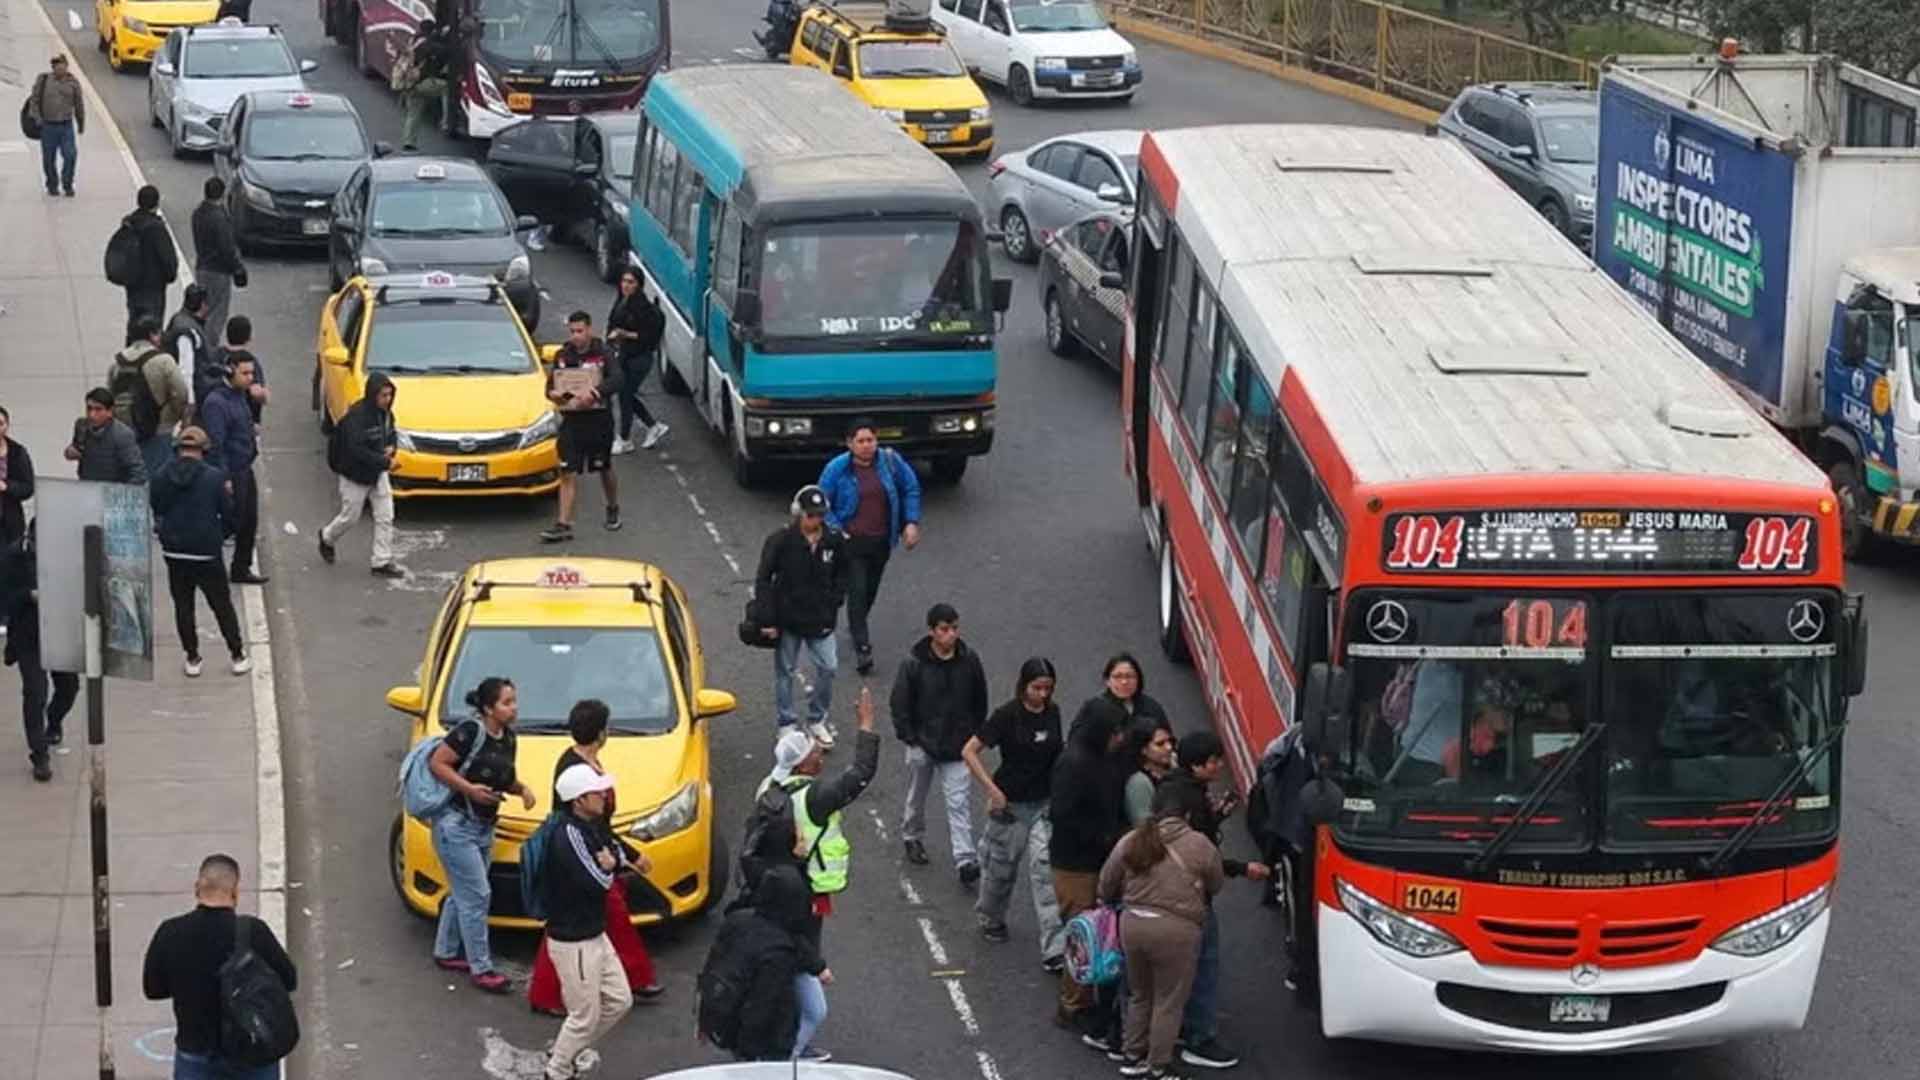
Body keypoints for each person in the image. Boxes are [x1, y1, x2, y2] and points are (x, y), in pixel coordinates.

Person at [749, 686, 880, 1061]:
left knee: (788, 958)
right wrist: (866, 725)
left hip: (776, 888)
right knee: (802, 953)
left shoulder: (769, 788)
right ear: (804, 765)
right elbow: (860, 775)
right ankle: (786, 1055)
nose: (821, 755)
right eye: (815, 752)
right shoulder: (814, 798)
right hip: (805, 891)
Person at [529, 700, 663, 1018]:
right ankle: (548, 994)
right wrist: (630, 855)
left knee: (607, 916)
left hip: (596, 847)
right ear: (602, 732)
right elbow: (595, 825)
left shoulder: (585, 762)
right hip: (584, 853)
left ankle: (633, 977)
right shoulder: (575, 770)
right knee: (583, 919)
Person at [1099, 784, 1226, 1080]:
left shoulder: (1132, 840)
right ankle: (1159, 1065)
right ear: (1188, 814)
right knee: (1169, 1000)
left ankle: (1132, 1055)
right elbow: (1216, 884)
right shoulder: (1199, 844)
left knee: (1140, 994)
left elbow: (1107, 882)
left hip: (1132, 924)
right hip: (1176, 930)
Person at [1163, 732, 1267, 1072]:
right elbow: (1199, 856)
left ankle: (1176, 1029)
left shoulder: (1174, 791)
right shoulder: (1187, 803)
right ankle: (1199, 1038)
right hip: (1192, 899)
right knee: (1204, 966)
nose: (1219, 766)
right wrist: (1239, 868)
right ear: (1196, 764)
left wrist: (1216, 816)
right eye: (1213, 761)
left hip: (1167, 899)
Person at [142, 854, 297, 1080]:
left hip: (195, 1051)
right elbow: (289, 979)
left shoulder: (170, 932)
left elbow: (153, 989)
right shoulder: (252, 932)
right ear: (235, 893)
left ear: (197, 888)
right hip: (251, 1050)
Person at [429, 677, 536, 993]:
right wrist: (469, 791)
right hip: (456, 825)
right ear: (488, 708)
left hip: (483, 827)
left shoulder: (509, 739)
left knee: (463, 892)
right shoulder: (469, 732)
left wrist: (522, 790)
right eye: (506, 702)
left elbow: (504, 777)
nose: (513, 708)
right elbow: (438, 763)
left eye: (514, 701)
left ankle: (446, 951)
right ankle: (482, 967)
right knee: (477, 896)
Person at [963, 656, 1065, 963]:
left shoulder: (1054, 713)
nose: (1043, 695)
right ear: (1024, 686)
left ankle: (1055, 948)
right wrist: (991, 789)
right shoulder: (1006, 716)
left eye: (1048, 689)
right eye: (1037, 688)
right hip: (1011, 807)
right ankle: (991, 917)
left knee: (1046, 876)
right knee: (1000, 871)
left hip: (1044, 806)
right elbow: (969, 751)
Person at [541, 763, 636, 1080]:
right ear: (578, 800)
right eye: (596, 792)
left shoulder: (590, 826)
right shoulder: (568, 835)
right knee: (584, 1015)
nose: (603, 795)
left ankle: (565, 1052)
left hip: (593, 933)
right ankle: (557, 1070)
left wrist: (614, 861)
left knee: (620, 1000)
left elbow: (615, 854)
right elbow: (599, 881)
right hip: (574, 941)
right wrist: (610, 867)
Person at [1050, 697, 1131, 1033]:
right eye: (1116, 732)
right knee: (1083, 934)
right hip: (1075, 864)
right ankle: (1073, 1005)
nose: (1121, 739)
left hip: (1095, 858)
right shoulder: (1074, 764)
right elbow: (1063, 815)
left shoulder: (1099, 758)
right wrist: (1104, 838)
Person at [891, 602, 989, 882]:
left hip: (957, 747)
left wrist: (973, 736)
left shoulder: (970, 660)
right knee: (917, 795)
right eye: (945, 629)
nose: (952, 635)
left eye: (955, 628)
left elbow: (979, 700)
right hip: (923, 744)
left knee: (958, 802)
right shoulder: (914, 663)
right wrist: (910, 738)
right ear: (932, 631)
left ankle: (965, 859)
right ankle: (912, 835)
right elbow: (900, 703)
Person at [818, 420, 922, 675]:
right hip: (850, 544)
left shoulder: (890, 462)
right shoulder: (837, 469)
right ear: (850, 444)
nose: (867, 446)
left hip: (880, 542)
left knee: (869, 592)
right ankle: (863, 647)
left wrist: (910, 522)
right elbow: (821, 502)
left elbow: (910, 488)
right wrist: (836, 530)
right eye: (861, 441)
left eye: (871, 440)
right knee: (858, 590)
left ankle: (855, 625)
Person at [150, 427, 249, 678]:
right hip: (206, 552)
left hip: (175, 552)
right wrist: (219, 535)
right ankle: (237, 654)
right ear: (204, 450)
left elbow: (157, 506)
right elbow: (229, 514)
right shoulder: (214, 478)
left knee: (183, 607)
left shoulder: (161, 476)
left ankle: (192, 657)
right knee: (222, 605)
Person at [702, 862, 826, 1061]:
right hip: (769, 1044)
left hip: (731, 1020)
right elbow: (761, 1008)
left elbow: (712, 967)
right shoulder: (780, 950)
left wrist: (705, 1020)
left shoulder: (737, 920)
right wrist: (751, 1056)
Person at [755, 485, 848, 747]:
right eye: (811, 515)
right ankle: (786, 722)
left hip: (821, 619)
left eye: (820, 515)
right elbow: (764, 578)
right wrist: (768, 619)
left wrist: (834, 601)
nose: (815, 521)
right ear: (799, 513)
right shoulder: (781, 540)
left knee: (829, 667)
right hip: (788, 620)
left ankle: (817, 718)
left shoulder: (834, 539)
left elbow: (843, 573)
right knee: (785, 670)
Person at [542, 311, 624, 542]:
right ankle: (563, 523)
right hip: (572, 422)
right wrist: (554, 395)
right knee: (567, 470)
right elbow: (549, 387)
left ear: (589, 329)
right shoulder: (562, 355)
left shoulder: (604, 353)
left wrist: (596, 392)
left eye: (580, 331)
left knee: (603, 467)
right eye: (572, 332)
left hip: (598, 422)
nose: (576, 336)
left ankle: (612, 506)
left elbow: (618, 379)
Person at [2, 525, 74, 782]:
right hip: (28, 634)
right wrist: (28, 596)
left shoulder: (68, 557)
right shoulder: (13, 557)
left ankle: (53, 722)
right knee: (35, 692)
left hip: (59, 630)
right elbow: (5, 598)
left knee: (68, 688)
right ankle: (39, 753)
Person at [318, 372, 403, 578]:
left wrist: (392, 447)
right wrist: (385, 461)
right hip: (354, 475)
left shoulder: (386, 415)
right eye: (383, 395)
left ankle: (381, 561)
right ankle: (327, 537)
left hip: (377, 473)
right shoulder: (356, 418)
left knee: (385, 516)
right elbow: (357, 450)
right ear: (373, 394)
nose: (387, 400)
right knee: (350, 516)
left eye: (390, 395)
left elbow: (391, 433)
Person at [199, 354, 265, 584]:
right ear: (230, 371)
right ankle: (202, 562)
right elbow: (217, 444)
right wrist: (224, 477)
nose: (250, 379)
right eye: (245, 373)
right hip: (231, 472)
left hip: (245, 467)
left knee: (248, 521)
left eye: (251, 373)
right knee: (230, 522)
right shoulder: (216, 403)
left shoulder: (240, 396)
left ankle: (241, 568)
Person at [108, 315, 191, 479]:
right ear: (153, 335)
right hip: (158, 428)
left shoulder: (117, 363)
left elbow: (110, 395)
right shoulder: (164, 361)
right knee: (157, 478)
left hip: (125, 430)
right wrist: (174, 416)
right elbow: (181, 393)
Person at [606, 269, 669, 453]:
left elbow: (648, 337)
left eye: (631, 282)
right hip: (623, 355)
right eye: (624, 281)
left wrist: (624, 334)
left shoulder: (645, 309)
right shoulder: (621, 301)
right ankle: (652, 425)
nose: (626, 285)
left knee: (625, 395)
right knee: (625, 394)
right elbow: (613, 322)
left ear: (639, 285)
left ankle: (625, 439)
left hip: (639, 359)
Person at [119, 185, 179, 345]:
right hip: (153, 288)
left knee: (134, 323)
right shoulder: (156, 228)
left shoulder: (129, 223)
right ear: (156, 203)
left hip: (133, 285)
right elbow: (168, 259)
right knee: (152, 329)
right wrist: (169, 276)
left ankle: (131, 356)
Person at [191, 180, 245, 351]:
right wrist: (237, 267)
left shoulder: (198, 213)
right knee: (216, 313)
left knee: (204, 309)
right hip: (218, 271)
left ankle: (202, 345)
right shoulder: (219, 218)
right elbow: (226, 247)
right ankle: (208, 348)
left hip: (202, 266)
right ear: (222, 194)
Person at [26, 55, 82, 197]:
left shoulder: (73, 83)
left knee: (70, 155)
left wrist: (81, 122)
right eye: (57, 66)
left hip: (66, 126)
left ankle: (67, 183)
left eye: (63, 65)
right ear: (53, 68)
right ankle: (52, 184)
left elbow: (79, 104)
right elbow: (34, 101)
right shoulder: (43, 80)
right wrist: (38, 118)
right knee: (48, 158)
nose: (60, 69)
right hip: (48, 126)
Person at [67, 387, 146, 484]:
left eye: (98, 409)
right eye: (89, 408)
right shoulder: (82, 426)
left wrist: (123, 493)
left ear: (110, 412)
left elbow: (138, 472)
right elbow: (74, 450)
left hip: (112, 489)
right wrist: (71, 452)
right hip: (88, 486)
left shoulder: (122, 434)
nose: (92, 415)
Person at [400, 19, 454, 150]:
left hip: (409, 83)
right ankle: (446, 122)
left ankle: (408, 142)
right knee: (446, 88)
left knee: (413, 113)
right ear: (432, 30)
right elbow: (446, 51)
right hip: (423, 83)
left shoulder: (414, 41)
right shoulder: (429, 45)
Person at [1124, 717, 1177, 827]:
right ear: (1143, 749)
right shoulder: (1139, 784)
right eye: (1160, 744)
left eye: (1170, 741)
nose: (1169, 747)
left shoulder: (1175, 766)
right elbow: (1144, 828)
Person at [0, 405, 35, 548]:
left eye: (0, 424)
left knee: (9, 565)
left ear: (7, 426)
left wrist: (6, 486)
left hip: (10, 523)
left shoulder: (18, 452)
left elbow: (28, 487)